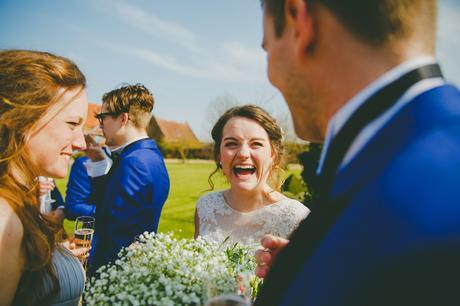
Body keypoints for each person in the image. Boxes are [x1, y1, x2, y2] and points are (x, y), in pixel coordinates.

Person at [254, 1, 460, 305]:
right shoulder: (408, 154)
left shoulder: (425, 219)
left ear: (298, 19)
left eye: (267, 46)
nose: (270, 73)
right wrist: (317, 266)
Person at [0, 50, 90, 305]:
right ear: (21, 119)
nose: (81, 143)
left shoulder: (21, 198)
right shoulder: (3, 219)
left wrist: (56, 253)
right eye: (73, 123)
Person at [194, 105, 309, 247]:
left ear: (272, 154)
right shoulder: (206, 207)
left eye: (256, 144)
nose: (243, 154)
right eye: (231, 144)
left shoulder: (297, 218)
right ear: (219, 156)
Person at [85, 83, 170, 274]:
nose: (100, 124)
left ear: (123, 118)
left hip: (114, 273)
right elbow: (110, 207)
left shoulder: (134, 162)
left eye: (102, 117)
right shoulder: (147, 156)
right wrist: (99, 161)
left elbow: (114, 231)